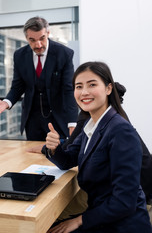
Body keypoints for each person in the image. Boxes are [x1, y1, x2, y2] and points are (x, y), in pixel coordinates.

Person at [43, 61, 152, 232]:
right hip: (102, 215)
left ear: (108, 89)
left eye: (92, 85)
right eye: (78, 86)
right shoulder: (92, 126)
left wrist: (79, 220)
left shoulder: (120, 131)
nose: (84, 92)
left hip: (122, 224)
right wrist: (54, 147)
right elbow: (67, 160)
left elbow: (124, 202)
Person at [0, 16, 78, 141]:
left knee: (57, 157)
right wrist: (6, 102)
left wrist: (72, 122)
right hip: (32, 120)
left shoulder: (64, 54)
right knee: (31, 156)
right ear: (26, 38)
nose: (38, 44)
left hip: (57, 118)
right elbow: (18, 86)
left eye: (42, 38)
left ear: (48, 33)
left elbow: (68, 90)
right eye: (32, 40)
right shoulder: (19, 56)